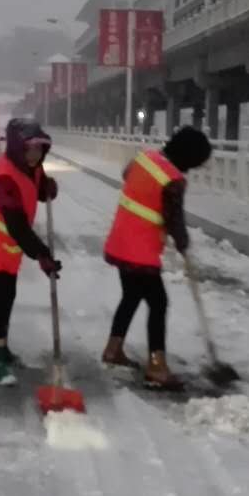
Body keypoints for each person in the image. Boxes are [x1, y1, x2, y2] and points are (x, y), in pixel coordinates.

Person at [101, 125, 213, 388]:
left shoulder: (144, 159)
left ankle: (113, 349)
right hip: (140, 251)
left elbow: (127, 175)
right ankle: (157, 366)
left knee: (131, 296)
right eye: (196, 161)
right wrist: (183, 242)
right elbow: (174, 219)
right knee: (158, 303)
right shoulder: (173, 179)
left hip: (120, 241)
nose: (195, 167)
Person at [0, 118, 62, 386]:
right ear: (18, 148)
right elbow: (17, 226)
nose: (35, 155)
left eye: (39, 149)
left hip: (6, 249)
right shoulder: (4, 178)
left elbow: (34, 187)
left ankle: (2, 349)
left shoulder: (31, 167)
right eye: (29, 149)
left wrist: (46, 188)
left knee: (7, 298)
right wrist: (42, 254)